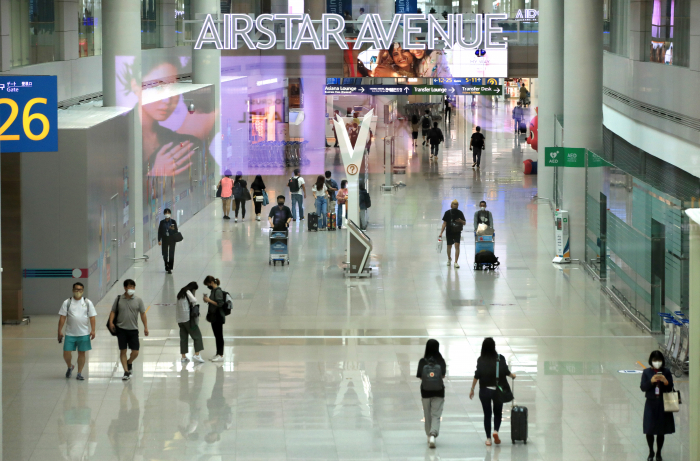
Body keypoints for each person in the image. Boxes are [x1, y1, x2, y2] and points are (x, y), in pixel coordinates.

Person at [469, 337, 516, 446]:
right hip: (498, 390)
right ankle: (495, 431)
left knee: (487, 414)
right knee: (497, 413)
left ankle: (488, 439)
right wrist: (512, 375)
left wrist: (472, 389)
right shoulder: (500, 358)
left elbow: (477, 375)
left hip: (484, 390)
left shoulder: (481, 359)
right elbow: (505, 371)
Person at [108, 279, 148, 381]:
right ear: (125, 288)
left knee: (135, 351)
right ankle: (126, 371)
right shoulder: (118, 299)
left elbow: (143, 314)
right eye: (129, 287)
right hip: (121, 329)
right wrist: (111, 322)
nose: (131, 289)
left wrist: (145, 327)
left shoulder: (138, 300)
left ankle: (129, 362)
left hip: (133, 329)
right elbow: (113, 311)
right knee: (123, 350)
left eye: (133, 287)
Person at [57, 282, 97, 380]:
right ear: (72, 290)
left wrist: (93, 330)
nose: (78, 291)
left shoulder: (87, 302)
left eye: (80, 290)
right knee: (66, 352)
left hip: (83, 333)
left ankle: (79, 373)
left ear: (83, 291)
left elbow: (92, 317)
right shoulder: (67, 302)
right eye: (76, 289)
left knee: (82, 353)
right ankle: (70, 366)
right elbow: (62, 317)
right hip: (70, 333)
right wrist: (59, 331)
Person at [641, 350, 675, 461]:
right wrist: (651, 381)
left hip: (663, 403)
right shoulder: (646, 372)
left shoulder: (666, 372)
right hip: (651, 403)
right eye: (655, 360)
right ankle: (651, 451)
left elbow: (670, 388)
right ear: (651, 361)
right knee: (649, 429)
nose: (657, 362)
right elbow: (643, 388)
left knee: (661, 430)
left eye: (659, 360)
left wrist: (665, 381)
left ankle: (659, 453)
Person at [416, 339, 447, 448]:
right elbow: (443, 375)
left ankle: (429, 435)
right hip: (439, 391)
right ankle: (433, 434)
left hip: (425, 392)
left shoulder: (422, 361)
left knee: (427, 414)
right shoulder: (441, 361)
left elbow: (420, 376)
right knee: (436, 414)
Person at [176, 282, 205, 364]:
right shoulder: (188, 292)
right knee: (197, 335)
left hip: (179, 319)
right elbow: (194, 300)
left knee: (183, 338)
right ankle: (197, 354)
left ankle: (183, 357)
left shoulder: (180, 293)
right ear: (193, 289)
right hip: (187, 318)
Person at [202, 276, 225, 362]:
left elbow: (220, 303)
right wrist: (207, 300)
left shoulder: (218, 291)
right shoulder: (213, 291)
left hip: (218, 316)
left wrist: (209, 300)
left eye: (208, 284)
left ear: (211, 282)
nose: (208, 286)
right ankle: (218, 353)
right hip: (214, 316)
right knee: (217, 335)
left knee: (219, 336)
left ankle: (220, 354)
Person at [439, 199, 467, 268]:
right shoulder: (447, 213)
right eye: (454, 204)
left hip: (457, 231)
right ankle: (449, 258)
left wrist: (460, 221)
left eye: (456, 205)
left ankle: (456, 262)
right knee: (449, 246)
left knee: (457, 246)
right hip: (449, 231)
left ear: (458, 206)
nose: (455, 206)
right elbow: (444, 223)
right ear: (451, 205)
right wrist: (441, 232)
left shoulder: (460, 213)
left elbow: (464, 223)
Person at [158, 208, 178, 273]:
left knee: (171, 253)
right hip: (164, 239)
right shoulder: (162, 222)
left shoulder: (173, 222)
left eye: (168, 213)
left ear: (170, 214)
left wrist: (170, 228)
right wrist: (159, 240)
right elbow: (159, 232)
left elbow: (176, 230)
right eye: (166, 213)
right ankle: (166, 265)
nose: (167, 214)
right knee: (165, 253)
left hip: (172, 239)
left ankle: (170, 267)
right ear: (164, 214)